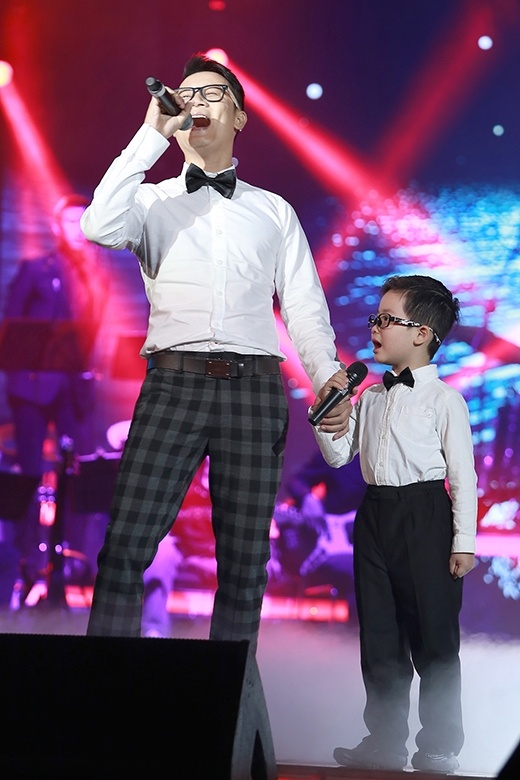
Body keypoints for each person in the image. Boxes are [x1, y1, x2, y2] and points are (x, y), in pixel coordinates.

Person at [80, 52, 350, 652]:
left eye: (211, 93)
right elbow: (97, 227)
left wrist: (328, 381)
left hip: (254, 390)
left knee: (246, 565)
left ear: (240, 117)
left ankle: (227, 699)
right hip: (172, 385)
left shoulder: (273, 210)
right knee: (125, 547)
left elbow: (305, 310)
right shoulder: (149, 201)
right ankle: (102, 695)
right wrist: (151, 135)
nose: (196, 102)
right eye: (187, 94)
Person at [311, 274, 477, 773]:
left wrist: (463, 541)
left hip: (425, 515)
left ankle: (440, 745)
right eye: (374, 318)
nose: (375, 328)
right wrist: (326, 411)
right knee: (380, 636)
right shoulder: (370, 397)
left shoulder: (444, 399)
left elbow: (463, 476)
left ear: (422, 333)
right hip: (375, 514)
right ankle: (384, 741)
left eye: (387, 319)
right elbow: (339, 456)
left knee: (433, 635)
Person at [2, 194, 106, 607]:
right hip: (31, 386)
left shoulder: (95, 274)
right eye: (70, 222)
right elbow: (12, 326)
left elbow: (94, 330)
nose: (77, 231)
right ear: (56, 228)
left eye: (83, 222)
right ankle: (25, 561)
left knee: (77, 473)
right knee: (30, 473)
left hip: (73, 388)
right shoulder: (36, 269)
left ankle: (69, 561)